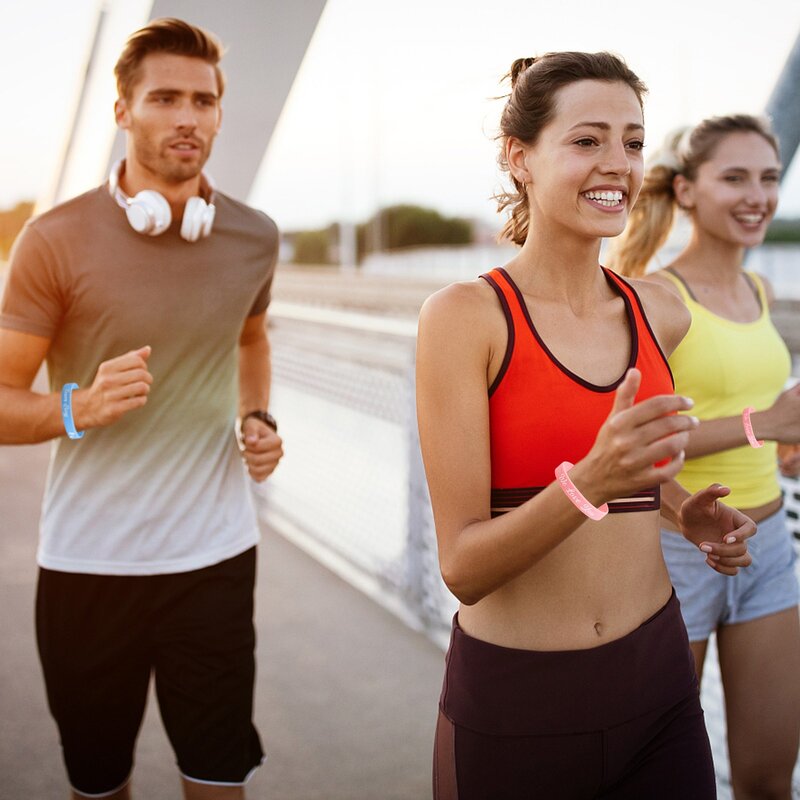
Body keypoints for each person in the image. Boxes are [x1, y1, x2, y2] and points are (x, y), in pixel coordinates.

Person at [416, 51, 757, 800]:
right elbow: (463, 569)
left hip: (661, 688)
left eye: (633, 143)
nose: (618, 165)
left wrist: (681, 512)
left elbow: (627, 474)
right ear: (520, 158)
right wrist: (591, 482)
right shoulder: (466, 319)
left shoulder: (655, 311)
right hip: (519, 704)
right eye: (587, 140)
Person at [0, 18, 282, 800]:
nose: (188, 117)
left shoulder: (255, 238)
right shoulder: (52, 241)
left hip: (216, 557)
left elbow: (252, 339)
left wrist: (257, 418)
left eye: (204, 100)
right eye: (165, 98)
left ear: (221, 113)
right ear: (123, 111)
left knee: (218, 776)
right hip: (91, 564)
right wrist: (77, 406)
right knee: (100, 784)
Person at [610, 114, 800, 800]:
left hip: (772, 546)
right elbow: (628, 440)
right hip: (677, 553)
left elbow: (750, 408)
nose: (758, 195)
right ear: (687, 191)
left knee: (768, 777)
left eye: (770, 178)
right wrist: (764, 422)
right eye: (735, 178)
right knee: (658, 779)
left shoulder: (760, 291)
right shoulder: (658, 298)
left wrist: (784, 444)